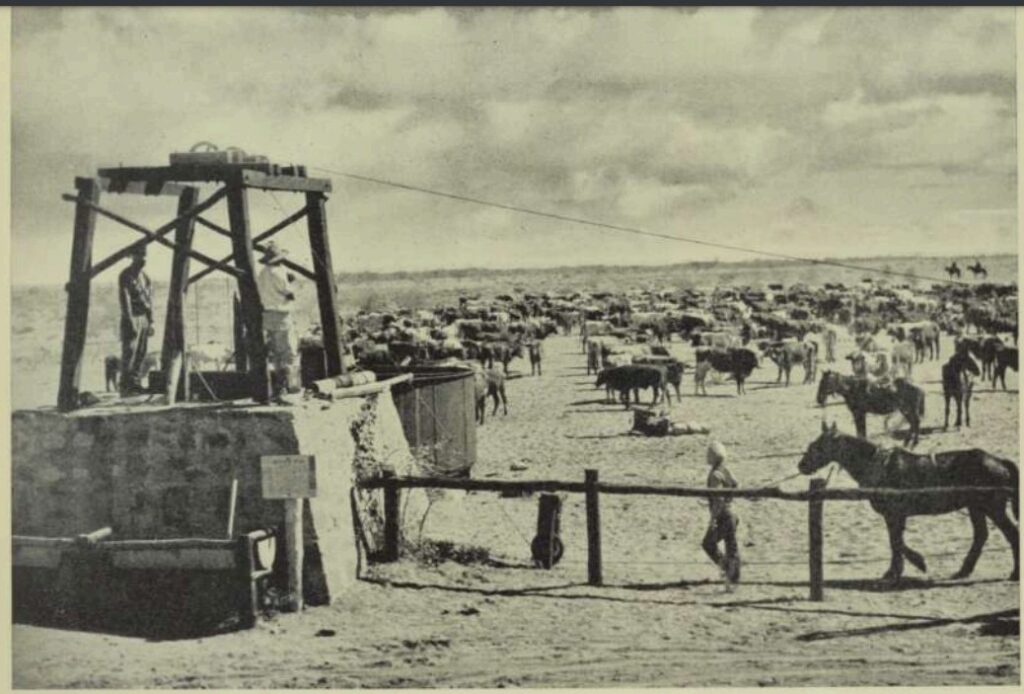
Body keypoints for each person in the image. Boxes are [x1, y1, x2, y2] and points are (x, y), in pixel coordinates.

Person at [256, 242, 299, 403]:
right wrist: (292, 283)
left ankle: (275, 390)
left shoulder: (263, 273)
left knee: (275, 355)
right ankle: (283, 391)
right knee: (288, 353)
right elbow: (291, 294)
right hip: (281, 315)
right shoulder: (279, 274)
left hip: (268, 315)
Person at [702, 440, 741, 583]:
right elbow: (736, 484)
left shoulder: (715, 475)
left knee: (708, 544)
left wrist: (712, 519)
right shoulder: (725, 470)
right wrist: (730, 498)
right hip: (732, 514)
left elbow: (717, 499)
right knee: (731, 544)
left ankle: (726, 568)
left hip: (723, 515)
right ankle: (734, 575)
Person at [118, 246, 154, 395]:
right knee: (130, 352)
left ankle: (135, 383)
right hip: (132, 317)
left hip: (144, 317)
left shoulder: (145, 277)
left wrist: (151, 321)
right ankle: (125, 386)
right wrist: (130, 320)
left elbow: (150, 300)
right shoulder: (126, 275)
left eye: (144, 255)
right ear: (133, 257)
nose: (143, 259)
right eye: (139, 255)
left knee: (141, 351)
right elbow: (124, 299)